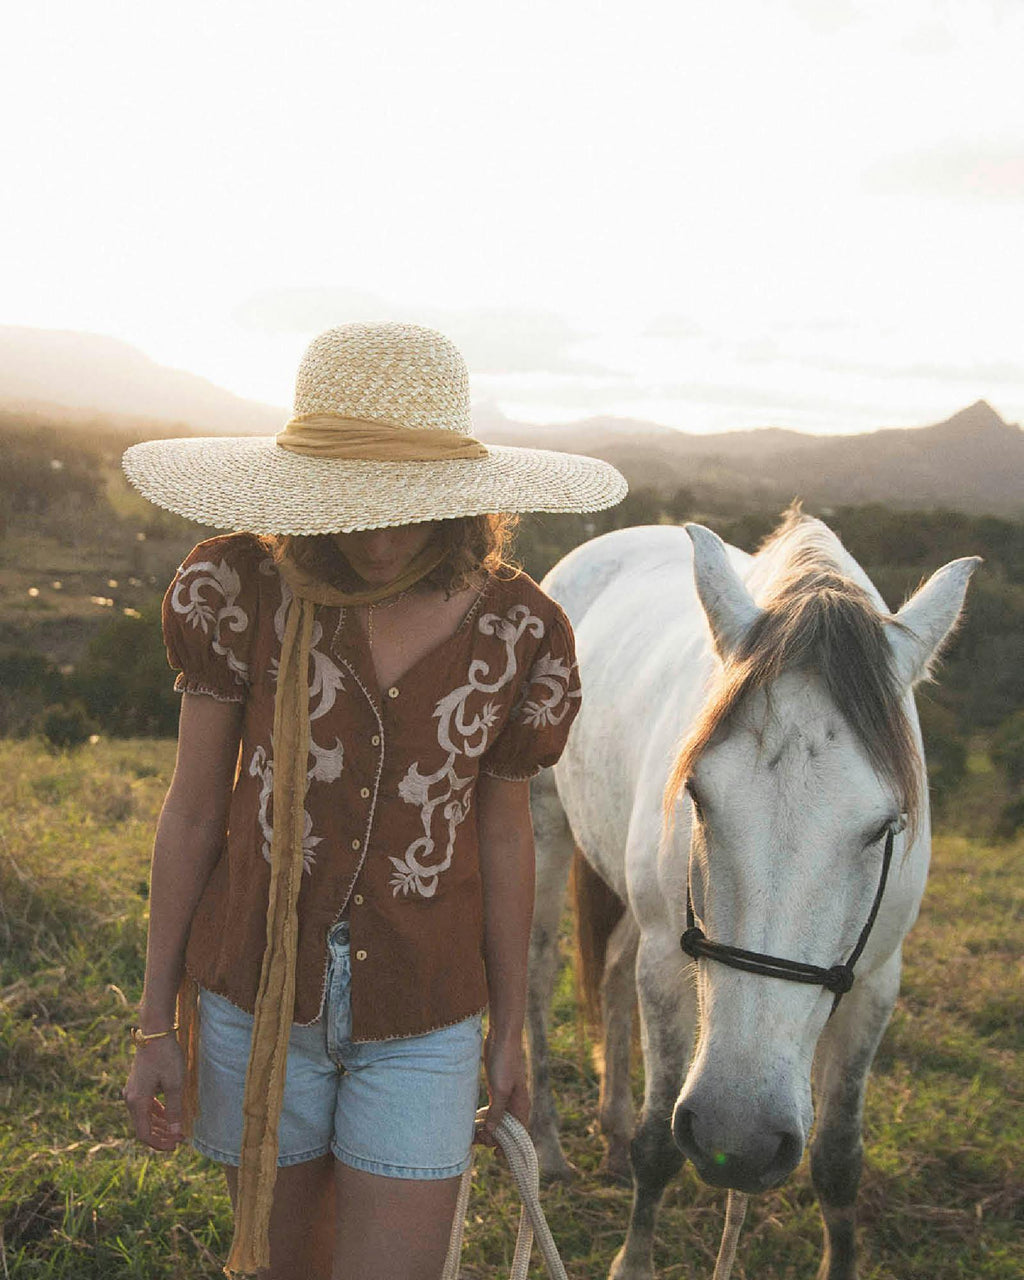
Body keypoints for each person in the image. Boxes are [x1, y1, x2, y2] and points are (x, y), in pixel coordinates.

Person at [119, 322, 626, 1280]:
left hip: (425, 1016)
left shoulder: (521, 631)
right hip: (256, 1001)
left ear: (460, 500)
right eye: (359, 504)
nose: (387, 537)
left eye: (415, 504)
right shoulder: (239, 589)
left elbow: (503, 834)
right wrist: (156, 1022)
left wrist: (512, 1026)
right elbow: (193, 810)